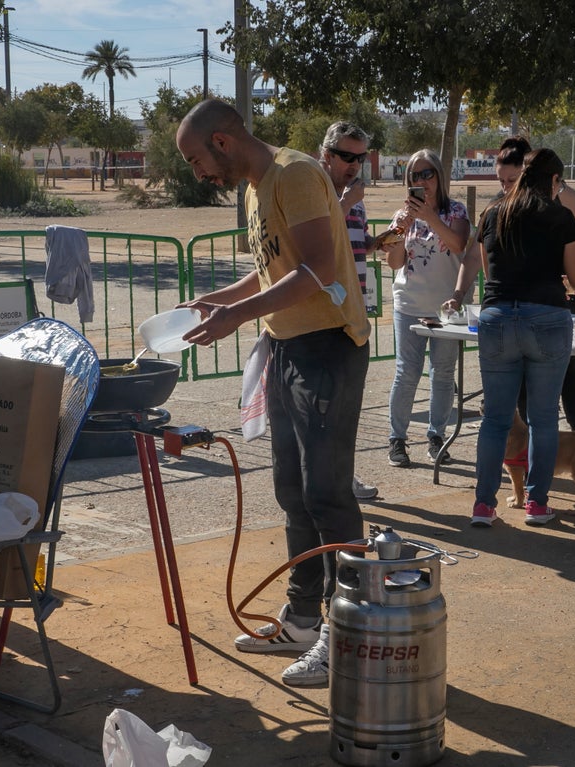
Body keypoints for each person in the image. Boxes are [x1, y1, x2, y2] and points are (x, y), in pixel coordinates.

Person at [175, 99, 370, 687]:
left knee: (327, 494)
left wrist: (238, 318)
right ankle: (305, 617)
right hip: (287, 349)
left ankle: (349, 631)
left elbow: (318, 270)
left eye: (195, 159)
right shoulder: (259, 185)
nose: (197, 173)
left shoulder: (296, 174)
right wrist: (226, 302)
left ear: (223, 142)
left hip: (328, 350)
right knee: (292, 489)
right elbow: (273, 270)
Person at [469, 148, 575, 528]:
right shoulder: (559, 216)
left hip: (497, 317)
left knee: (495, 420)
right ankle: (537, 504)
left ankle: (483, 506)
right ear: (554, 181)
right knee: (542, 419)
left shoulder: (492, 212)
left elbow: (490, 273)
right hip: (548, 318)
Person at [448, 136, 575, 433]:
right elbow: (475, 257)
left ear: (528, 173)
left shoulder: (559, 195)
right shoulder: (496, 208)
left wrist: (568, 255)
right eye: (500, 180)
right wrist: (458, 294)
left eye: (511, 179)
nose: (505, 186)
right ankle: (531, 442)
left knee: (574, 366)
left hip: (564, 295)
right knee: (528, 377)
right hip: (527, 303)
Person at [378, 150, 470, 468]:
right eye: (414, 176)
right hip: (408, 304)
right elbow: (394, 264)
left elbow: (459, 246)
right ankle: (397, 440)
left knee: (442, 373)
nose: (421, 181)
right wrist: (401, 231)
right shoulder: (402, 216)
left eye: (427, 174)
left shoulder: (456, 211)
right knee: (407, 373)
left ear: (439, 176)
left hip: (446, 308)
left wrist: (430, 217)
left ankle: (436, 437)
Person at [319, 120, 378, 501]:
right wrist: (346, 204)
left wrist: (382, 241)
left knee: (347, 409)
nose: (354, 164)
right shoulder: (317, 189)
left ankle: (343, 479)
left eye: (360, 157)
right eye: (346, 156)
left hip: (352, 315)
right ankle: (330, 485)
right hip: (323, 317)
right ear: (326, 155)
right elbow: (316, 240)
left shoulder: (352, 198)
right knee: (326, 409)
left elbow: (353, 245)